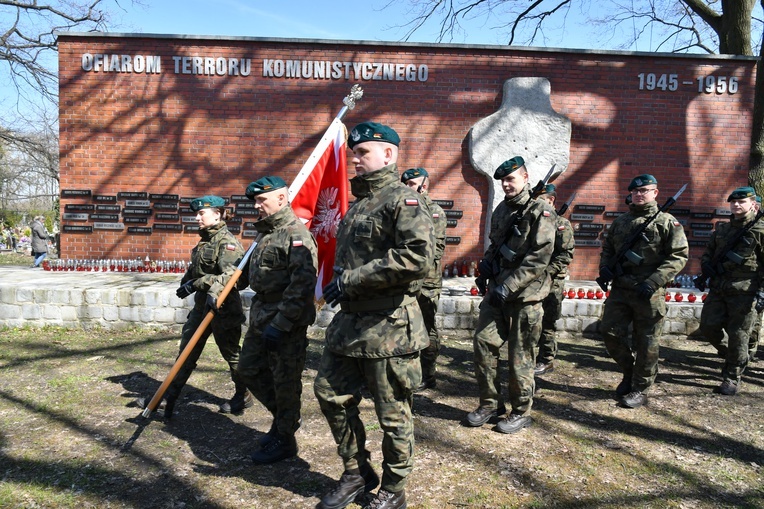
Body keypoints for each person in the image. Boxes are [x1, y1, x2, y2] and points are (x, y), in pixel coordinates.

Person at [314, 122, 434, 509]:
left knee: (392, 414)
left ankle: (393, 489)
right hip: (350, 325)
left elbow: (416, 257)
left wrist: (350, 280)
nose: (356, 159)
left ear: (389, 155)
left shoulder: (402, 200)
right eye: (355, 153)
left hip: (389, 326)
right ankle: (355, 472)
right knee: (329, 394)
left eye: (364, 152)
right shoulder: (359, 204)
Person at [136, 195, 249, 418]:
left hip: (223, 309)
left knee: (233, 356)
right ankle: (169, 396)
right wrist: (187, 280)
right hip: (201, 308)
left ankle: (243, 394)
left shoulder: (227, 243)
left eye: (201, 213)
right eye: (196, 214)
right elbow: (198, 269)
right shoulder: (205, 241)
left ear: (217, 214)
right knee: (186, 352)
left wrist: (198, 283)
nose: (197, 217)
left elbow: (234, 278)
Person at [466, 156, 556, 435]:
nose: (506, 184)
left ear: (526, 178)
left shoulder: (541, 211)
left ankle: (520, 412)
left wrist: (509, 286)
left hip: (525, 298)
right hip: (498, 294)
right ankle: (490, 404)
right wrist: (486, 269)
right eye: (503, 180)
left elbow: (539, 258)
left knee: (520, 358)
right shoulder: (503, 210)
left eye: (511, 179)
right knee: (483, 344)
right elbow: (496, 244)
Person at [236, 176, 318, 465]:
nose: (257, 206)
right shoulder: (265, 235)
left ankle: (285, 438)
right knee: (247, 369)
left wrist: (281, 324)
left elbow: (302, 286)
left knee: (285, 381)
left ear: (282, 199)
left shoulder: (296, 234)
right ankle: (284, 421)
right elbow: (248, 276)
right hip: (260, 316)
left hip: (286, 322)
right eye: (255, 201)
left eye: (262, 200)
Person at [599, 174, 688, 408]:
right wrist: (605, 269)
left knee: (647, 341)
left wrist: (654, 281)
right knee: (608, 331)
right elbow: (608, 248)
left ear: (655, 193)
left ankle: (640, 387)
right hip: (621, 288)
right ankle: (630, 373)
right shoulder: (621, 222)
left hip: (649, 291)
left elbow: (678, 256)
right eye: (635, 191)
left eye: (645, 190)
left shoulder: (667, 222)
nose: (640, 194)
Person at [697, 187, 764, 395]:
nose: (736, 205)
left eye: (741, 202)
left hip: (745, 290)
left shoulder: (760, 230)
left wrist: (761, 292)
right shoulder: (723, 230)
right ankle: (734, 355)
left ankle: (731, 377)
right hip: (719, 288)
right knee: (708, 327)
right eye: (733, 202)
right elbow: (709, 252)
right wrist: (706, 268)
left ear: (753, 203)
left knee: (739, 335)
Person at [401, 167, 447, 391]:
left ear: (424, 185)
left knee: (426, 328)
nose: (408, 188)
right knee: (404, 328)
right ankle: (408, 373)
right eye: (405, 184)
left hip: (427, 282)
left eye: (412, 184)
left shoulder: (434, 211)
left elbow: (435, 251)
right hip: (403, 281)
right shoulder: (401, 210)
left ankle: (427, 375)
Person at [534, 184, 575, 375]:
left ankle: (546, 359)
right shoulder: (533, 222)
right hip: (531, 280)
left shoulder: (562, 225)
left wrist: (548, 271)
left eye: (540, 200)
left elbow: (565, 255)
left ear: (550, 200)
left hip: (552, 282)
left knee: (548, 322)